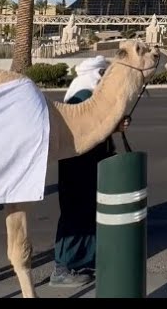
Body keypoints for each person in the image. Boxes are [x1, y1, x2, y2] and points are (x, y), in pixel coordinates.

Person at [50, 56, 130, 287]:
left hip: (88, 162)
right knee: (76, 213)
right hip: (78, 163)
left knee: (87, 213)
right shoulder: (82, 95)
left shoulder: (84, 91)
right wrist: (113, 126)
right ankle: (63, 268)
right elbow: (86, 129)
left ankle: (83, 261)